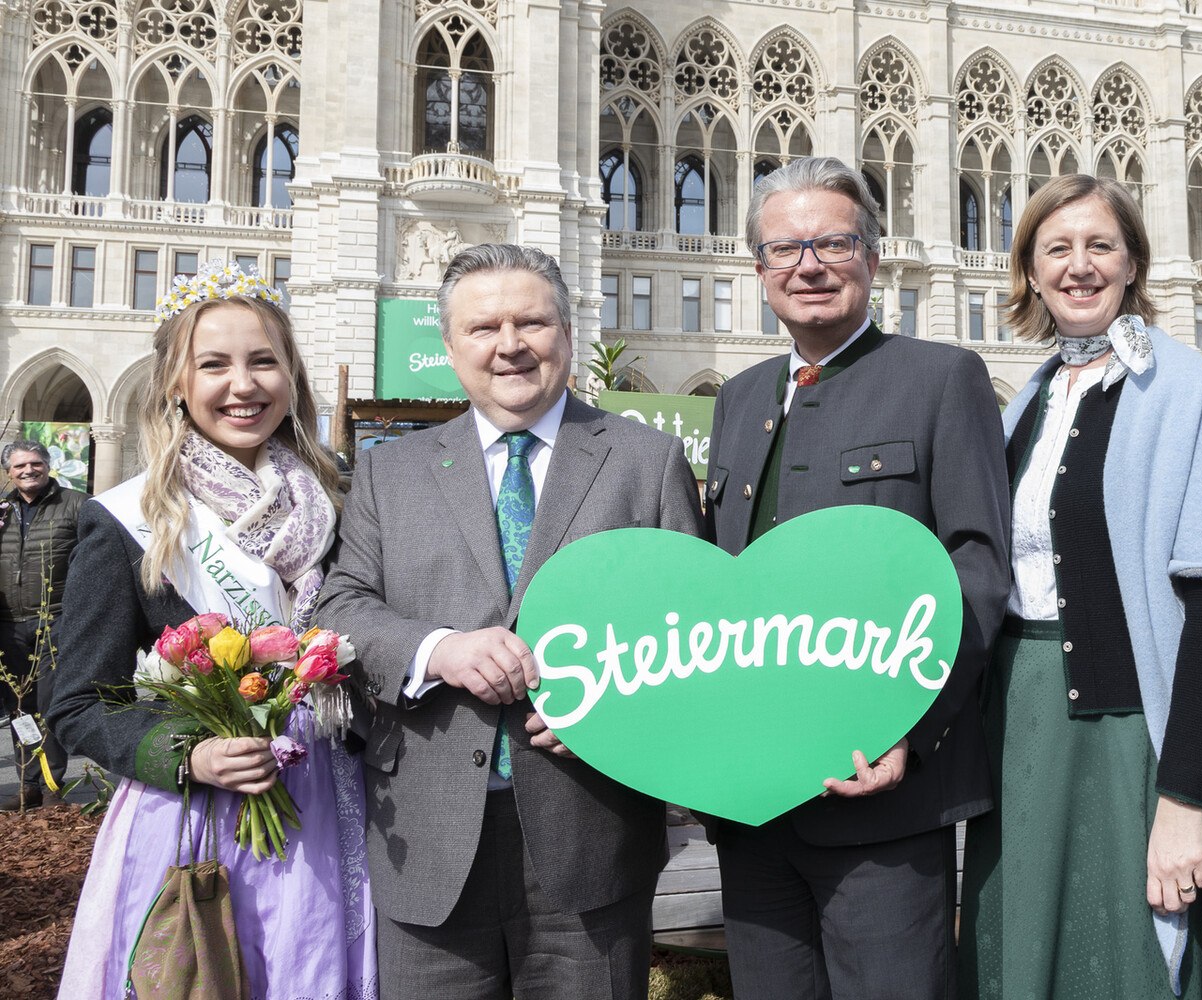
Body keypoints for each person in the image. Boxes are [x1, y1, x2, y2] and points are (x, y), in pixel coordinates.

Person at [319, 243, 704, 1000]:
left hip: (590, 832)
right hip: (423, 837)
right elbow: (341, 609)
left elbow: (689, 628)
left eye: (531, 321)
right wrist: (439, 649)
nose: (509, 345)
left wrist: (617, 708)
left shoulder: (646, 461)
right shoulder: (390, 470)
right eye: (483, 327)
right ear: (450, 347)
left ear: (566, 333)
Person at [957, 175, 1202, 1000]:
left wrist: (1180, 796)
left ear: (1133, 262)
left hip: (1134, 730)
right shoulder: (1026, 399)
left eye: (1098, 245)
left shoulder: (1182, 388)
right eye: (1055, 249)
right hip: (1024, 730)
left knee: (1135, 957)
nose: (1078, 266)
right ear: (1028, 271)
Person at [702, 156, 1009, 1000]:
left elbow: (977, 572)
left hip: (880, 796)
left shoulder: (941, 379)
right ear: (758, 271)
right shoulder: (737, 398)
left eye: (832, 243)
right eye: (784, 249)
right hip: (752, 804)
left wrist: (911, 726)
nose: (808, 265)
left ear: (872, 258)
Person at [50, 262, 377, 999]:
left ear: (292, 376)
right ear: (175, 382)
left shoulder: (342, 503)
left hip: (334, 806)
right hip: (195, 819)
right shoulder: (128, 520)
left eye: (264, 361)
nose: (244, 385)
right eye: (214, 365)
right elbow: (76, 703)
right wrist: (190, 756)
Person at [0, 439, 86, 809]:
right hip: (9, 625)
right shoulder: (2, 510)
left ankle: (52, 783)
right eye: (19, 466)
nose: (27, 471)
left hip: (56, 619)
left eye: (34, 463)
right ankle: (28, 784)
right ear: (9, 473)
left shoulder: (77, 504)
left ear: (48, 465)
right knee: (18, 706)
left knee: (50, 703)